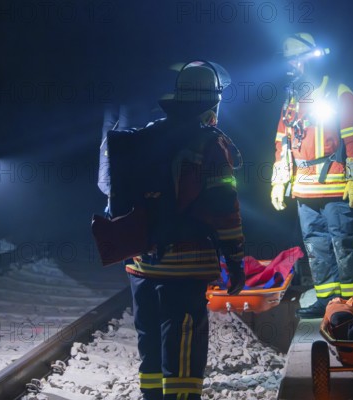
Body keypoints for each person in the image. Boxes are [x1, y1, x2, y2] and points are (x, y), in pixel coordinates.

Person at [107, 61, 245, 400]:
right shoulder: (211, 144)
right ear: (214, 102)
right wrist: (236, 260)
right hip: (185, 266)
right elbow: (225, 207)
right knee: (183, 348)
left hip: (141, 262)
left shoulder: (149, 135)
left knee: (150, 343)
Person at [270, 33, 353, 319]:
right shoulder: (291, 98)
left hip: (336, 182)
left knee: (344, 241)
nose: (291, 66)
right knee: (315, 245)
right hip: (303, 186)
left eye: (296, 60)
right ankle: (327, 299)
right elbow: (282, 142)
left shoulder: (339, 93)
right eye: (288, 61)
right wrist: (279, 181)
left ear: (310, 59)